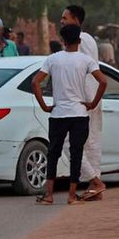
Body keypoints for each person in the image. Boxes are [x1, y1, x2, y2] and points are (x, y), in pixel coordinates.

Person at [31, 24, 107, 205]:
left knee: (53, 154)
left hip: (58, 114)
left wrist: (44, 105)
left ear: (62, 40)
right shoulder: (86, 60)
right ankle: (72, 196)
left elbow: (35, 82)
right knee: (77, 154)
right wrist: (93, 103)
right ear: (79, 41)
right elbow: (103, 81)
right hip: (79, 113)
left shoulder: (52, 59)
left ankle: (48, 195)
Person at [57, 5, 106, 200]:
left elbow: (79, 67)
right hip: (90, 97)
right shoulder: (89, 39)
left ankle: (95, 181)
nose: (61, 21)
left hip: (83, 98)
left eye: (64, 17)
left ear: (75, 19)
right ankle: (95, 185)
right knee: (90, 142)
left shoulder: (81, 40)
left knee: (71, 143)